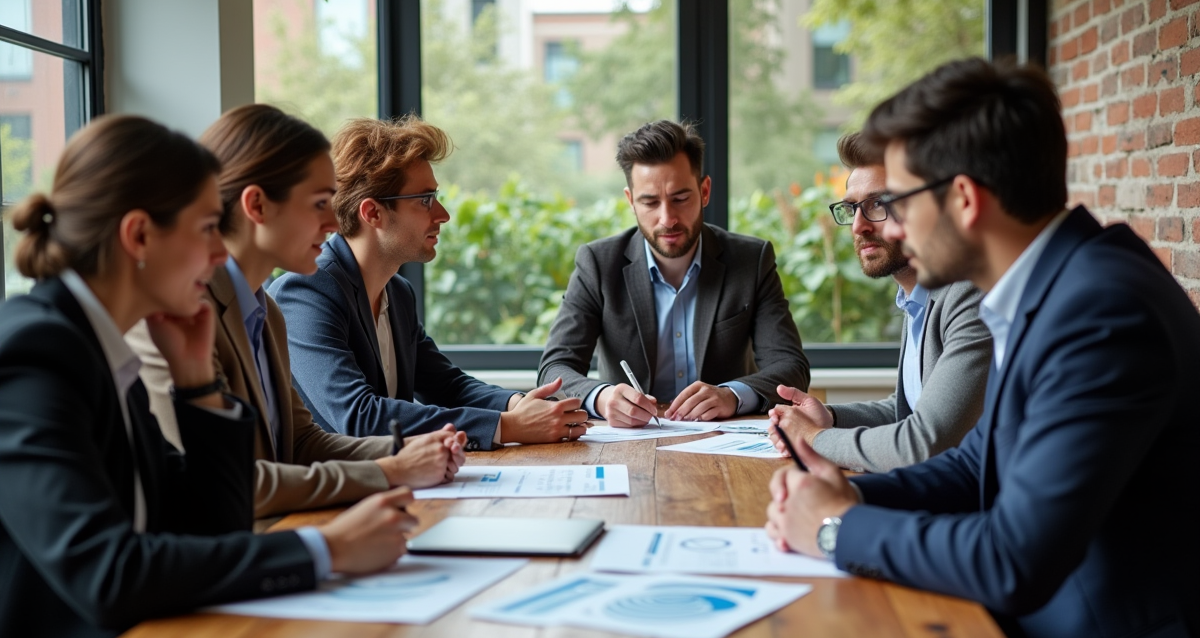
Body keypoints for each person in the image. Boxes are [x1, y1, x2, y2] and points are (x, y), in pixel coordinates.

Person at [764, 58, 1199, 638]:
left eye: (900, 202)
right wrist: (846, 491)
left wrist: (833, 528)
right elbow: (979, 464)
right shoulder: (1052, 287)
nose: (892, 228)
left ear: (964, 200)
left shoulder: (1100, 312)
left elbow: (1014, 558)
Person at [0, 116, 425, 638]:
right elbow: (107, 571)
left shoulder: (104, 342)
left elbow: (206, 523)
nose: (216, 249)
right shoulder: (38, 350)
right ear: (139, 236)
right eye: (205, 228)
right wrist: (325, 550)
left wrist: (198, 384)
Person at [127, 105, 465, 519]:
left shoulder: (265, 310)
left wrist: (404, 449)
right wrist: (388, 469)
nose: (333, 221)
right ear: (258, 207)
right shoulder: (175, 319)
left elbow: (301, 443)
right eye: (319, 203)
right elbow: (222, 485)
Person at [272, 116, 589, 450]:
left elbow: (447, 385)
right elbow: (358, 417)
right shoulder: (307, 291)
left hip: (394, 482)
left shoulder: (397, 292)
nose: (443, 214)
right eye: (425, 199)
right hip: (327, 494)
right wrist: (506, 427)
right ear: (373, 213)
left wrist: (516, 405)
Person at [538, 119, 809, 427]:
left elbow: (791, 366)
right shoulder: (598, 264)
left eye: (680, 199)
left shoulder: (750, 260)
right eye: (650, 202)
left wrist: (732, 395)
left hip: (723, 443)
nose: (667, 219)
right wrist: (602, 398)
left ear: (704, 191)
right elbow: (554, 369)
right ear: (631, 202)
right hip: (628, 445)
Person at [770, 132, 991, 471]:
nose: (859, 226)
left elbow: (923, 441)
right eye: (851, 208)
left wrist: (813, 438)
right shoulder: (915, 297)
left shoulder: (967, 293)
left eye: (878, 204)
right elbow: (907, 410)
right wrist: (829, 417)